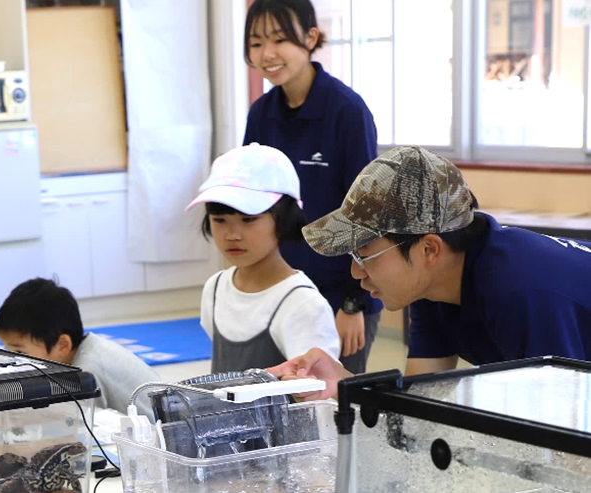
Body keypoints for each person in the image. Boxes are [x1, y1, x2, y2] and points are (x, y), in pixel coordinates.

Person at [269, 145, 591, 398]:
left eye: (365, 255)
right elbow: (419, 410)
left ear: (429, 249)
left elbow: (566, 439)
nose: (356, 273)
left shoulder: (522, 292)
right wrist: (344, 385)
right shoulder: (434, 288)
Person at [242, 0, 382, 374]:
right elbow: (251, 204)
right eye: (256, 43)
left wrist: (354, 304)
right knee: (273, 404)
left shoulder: (347, 112)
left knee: (331, 409)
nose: (267, 54)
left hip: (339, 295)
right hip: (279, 290)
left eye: (279, 39)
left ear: (310, 38)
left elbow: (366, 214)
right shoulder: (261, 114)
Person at [185, 143, 340, 373]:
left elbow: (317, 395)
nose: (232, 235)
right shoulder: (215, 289)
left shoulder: (302, 304)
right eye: (219, 220)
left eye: (248, 220)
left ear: (285, 219)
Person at [0, 278, 161, 417]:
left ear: (62, 345)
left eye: (19, 352)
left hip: (161, 443)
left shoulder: (86, 372)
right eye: (7, 351)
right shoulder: (86, 350)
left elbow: (85, 429)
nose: (13, 361)